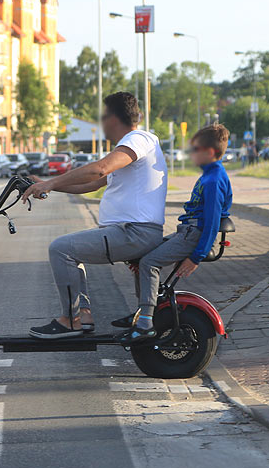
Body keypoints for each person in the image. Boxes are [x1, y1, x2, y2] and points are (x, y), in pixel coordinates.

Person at [22, 91, 168, 339]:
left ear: (113, 118)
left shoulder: (138, 139)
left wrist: (51, 183)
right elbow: (93, 183)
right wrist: (48, 184)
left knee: (61, 249)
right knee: (71, 249)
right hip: (129, 232)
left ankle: (70, 320)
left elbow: (100, 168)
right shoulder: (132, 146)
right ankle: (83, 315)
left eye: (102, 117)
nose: (101, 124)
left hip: (135, 233)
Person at [119, 123, 233, 344]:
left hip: (194, 236)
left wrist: (195, 258)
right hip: (188, 232)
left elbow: (210, 224)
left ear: (209, 152)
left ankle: (145, 321)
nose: (191, 154)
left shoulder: (215, 180)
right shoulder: (209, 175)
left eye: (195, 149)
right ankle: (145, 310)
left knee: (148, 263)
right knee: (139, 256)